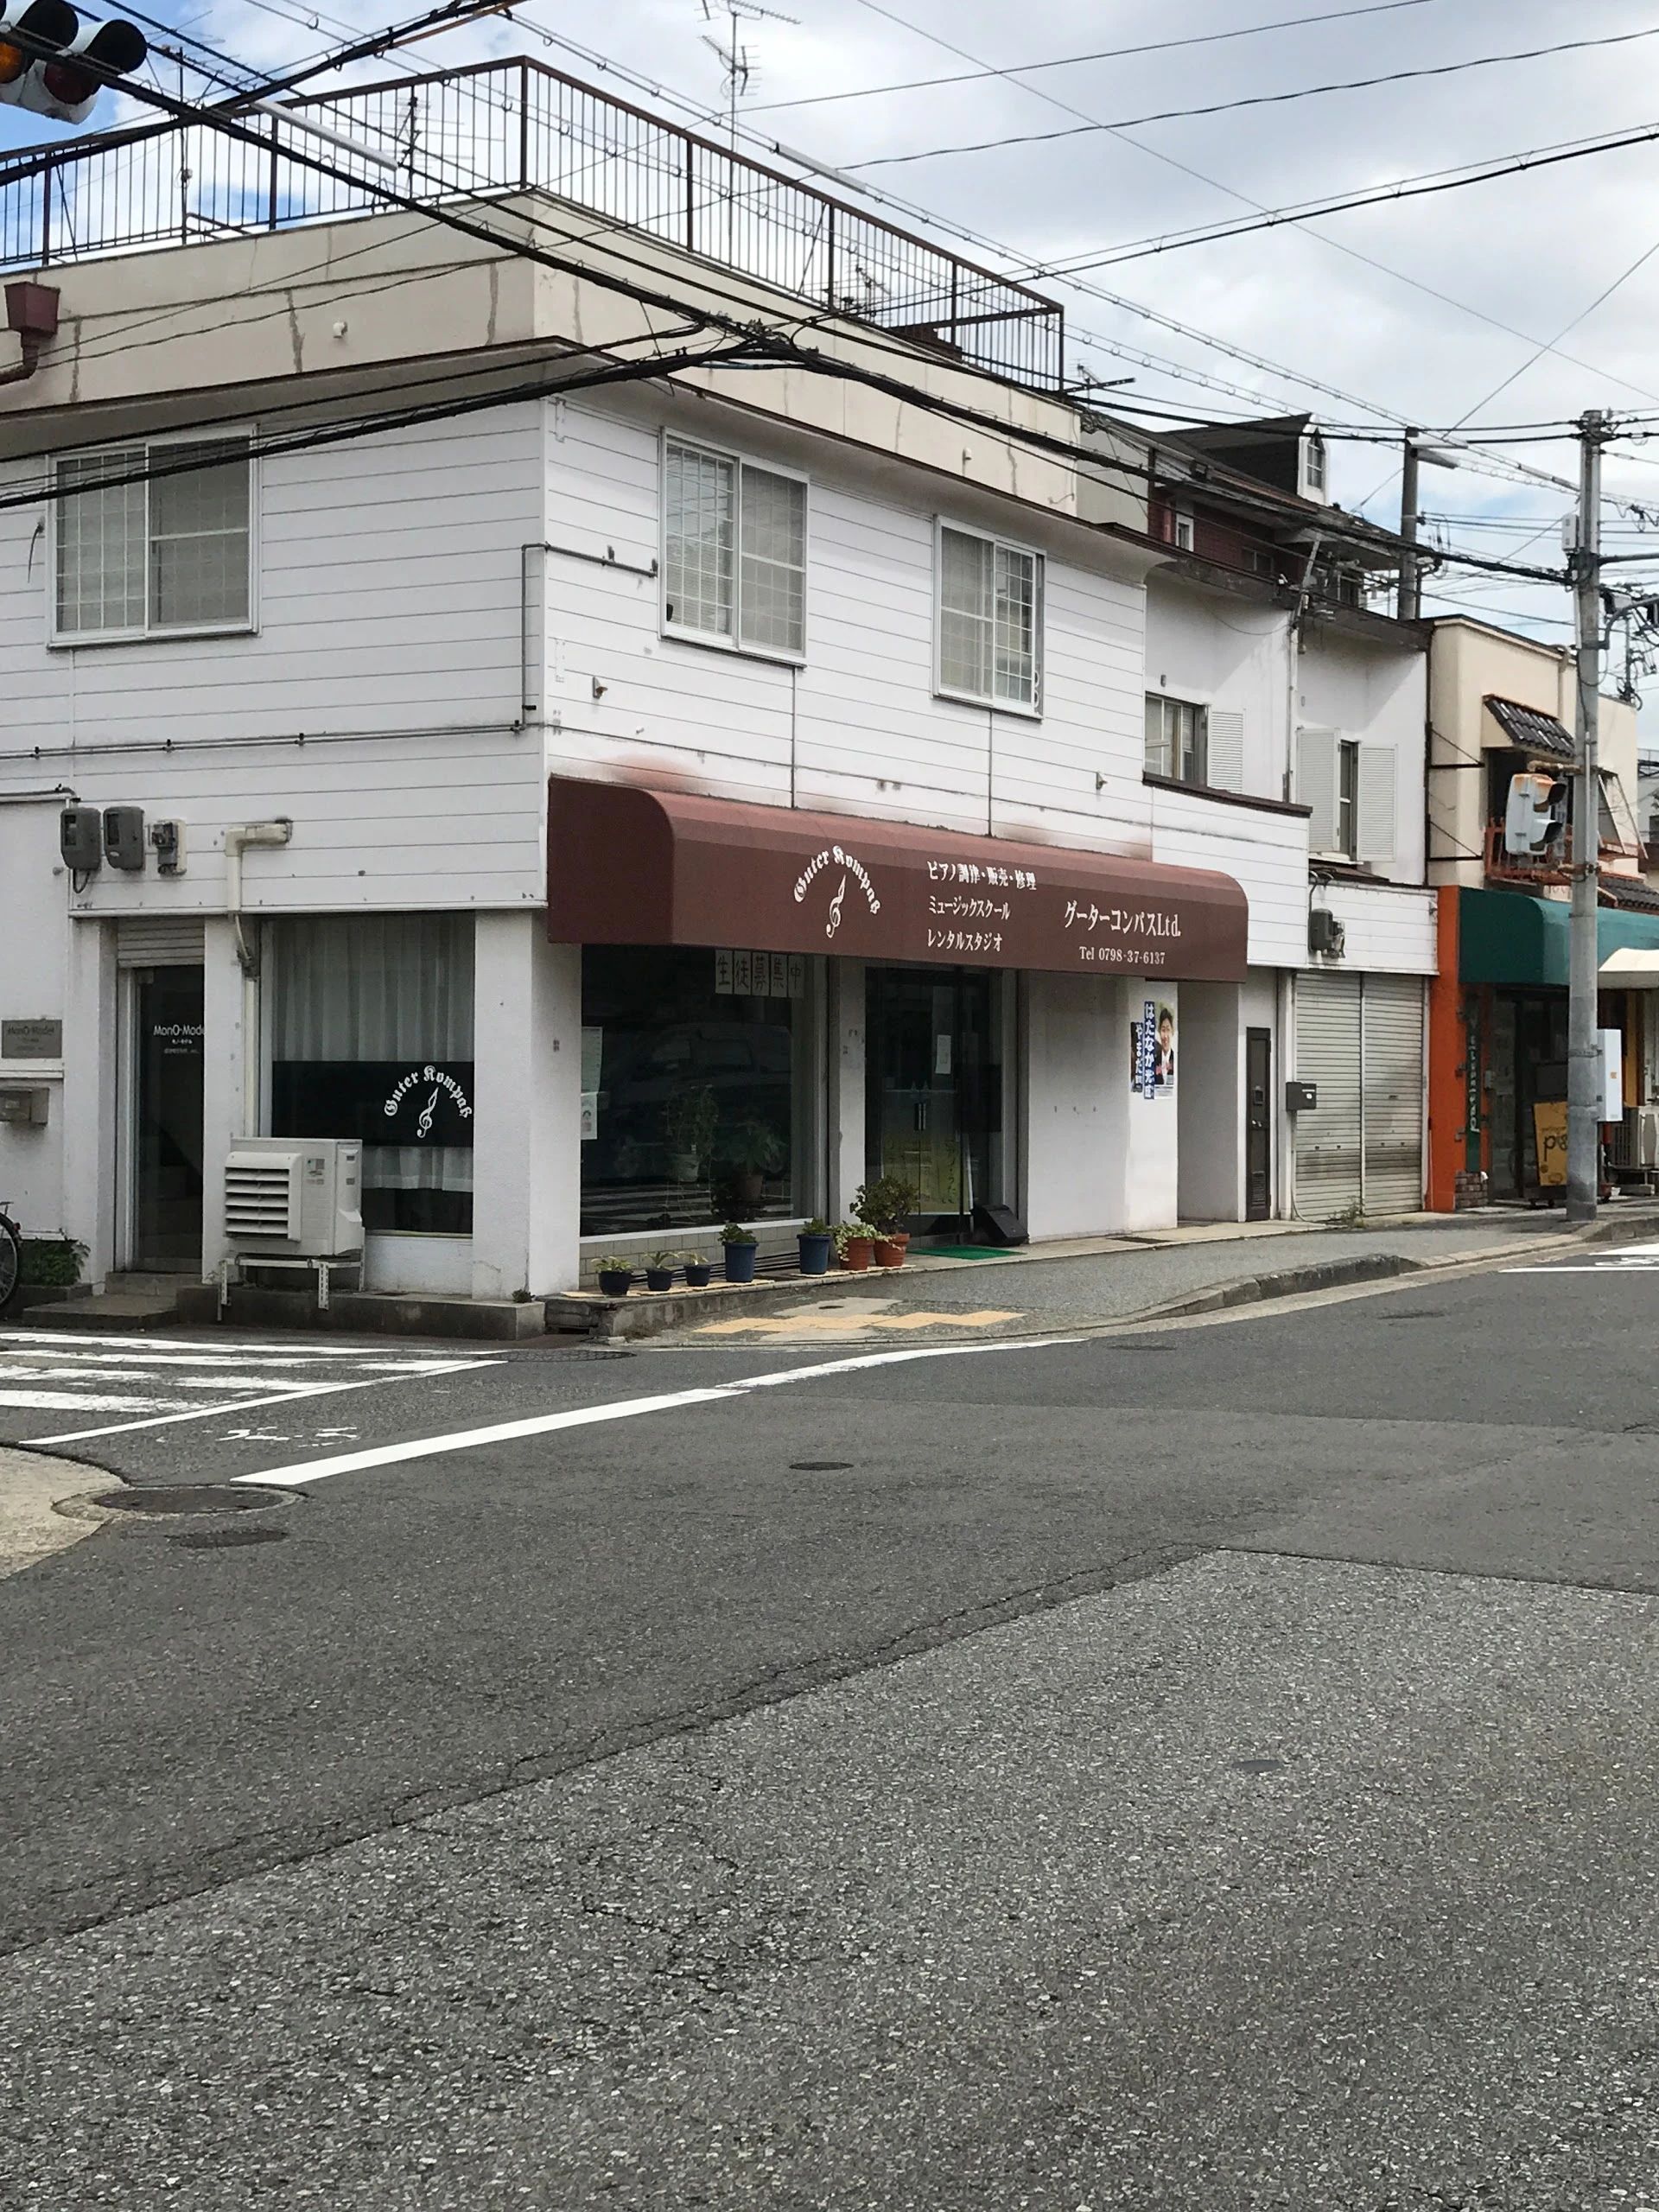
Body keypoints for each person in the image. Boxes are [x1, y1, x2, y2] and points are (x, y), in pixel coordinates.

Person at [1155, 1006, 1176, 1090]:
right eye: (1163, 1030)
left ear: (1173, 1032)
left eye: (1168, 1030)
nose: (1166, 1036)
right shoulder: (1155, 1060)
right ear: (1159, 1032)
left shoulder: (1176, 1058)